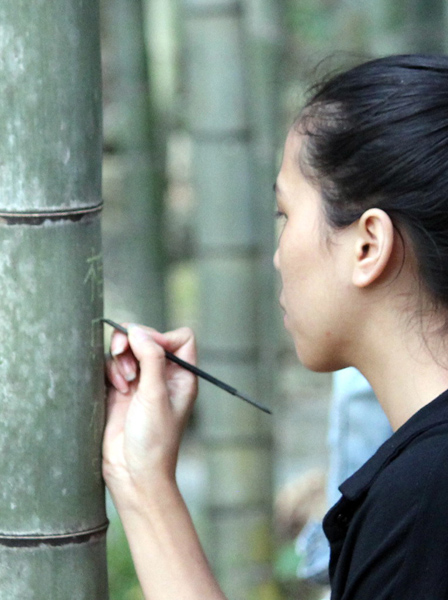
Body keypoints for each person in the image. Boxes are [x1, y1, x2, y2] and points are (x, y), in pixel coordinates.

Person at [103, 54, 448, 599]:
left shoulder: (423, 507)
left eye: (285, 215)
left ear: (368, 245)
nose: (278, 256)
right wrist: (140, 476)